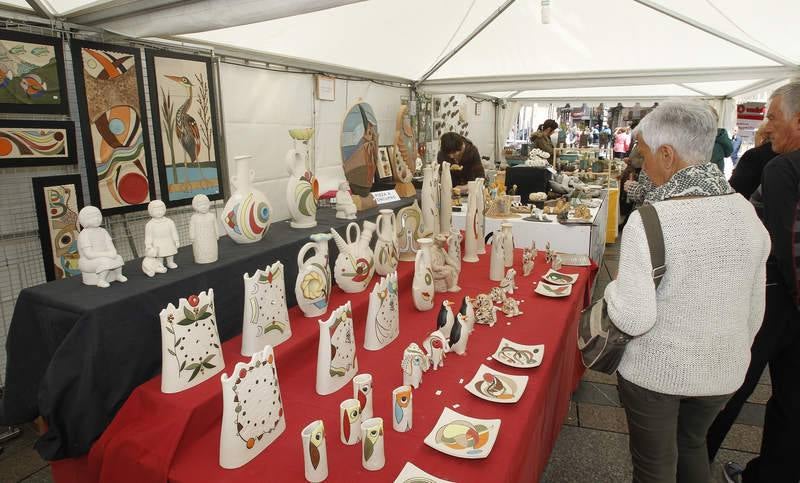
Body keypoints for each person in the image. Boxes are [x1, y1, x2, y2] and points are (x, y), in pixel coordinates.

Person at [604, 100, 770, 483]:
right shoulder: (745, 212)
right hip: (722, 370)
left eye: (643, 153)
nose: (641, 164)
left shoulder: (651, 219)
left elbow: (633, 316)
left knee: (654, 468)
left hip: (656, 374)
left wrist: (613, 290)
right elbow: (754, 309)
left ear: (667, 154)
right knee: (693, 447)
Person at [716, 81, 800, 483]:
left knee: (732, 384)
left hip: (777, 298)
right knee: (792, 400)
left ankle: (693, 462)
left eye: (772, 116)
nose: (765, 125)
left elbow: (784, 243)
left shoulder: (783, 167)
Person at [727, 125, 777, 200]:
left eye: (757, 133)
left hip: (747, 206)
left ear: (762, 136)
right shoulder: (784, 155)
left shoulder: (753, 155)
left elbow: (735, 188)